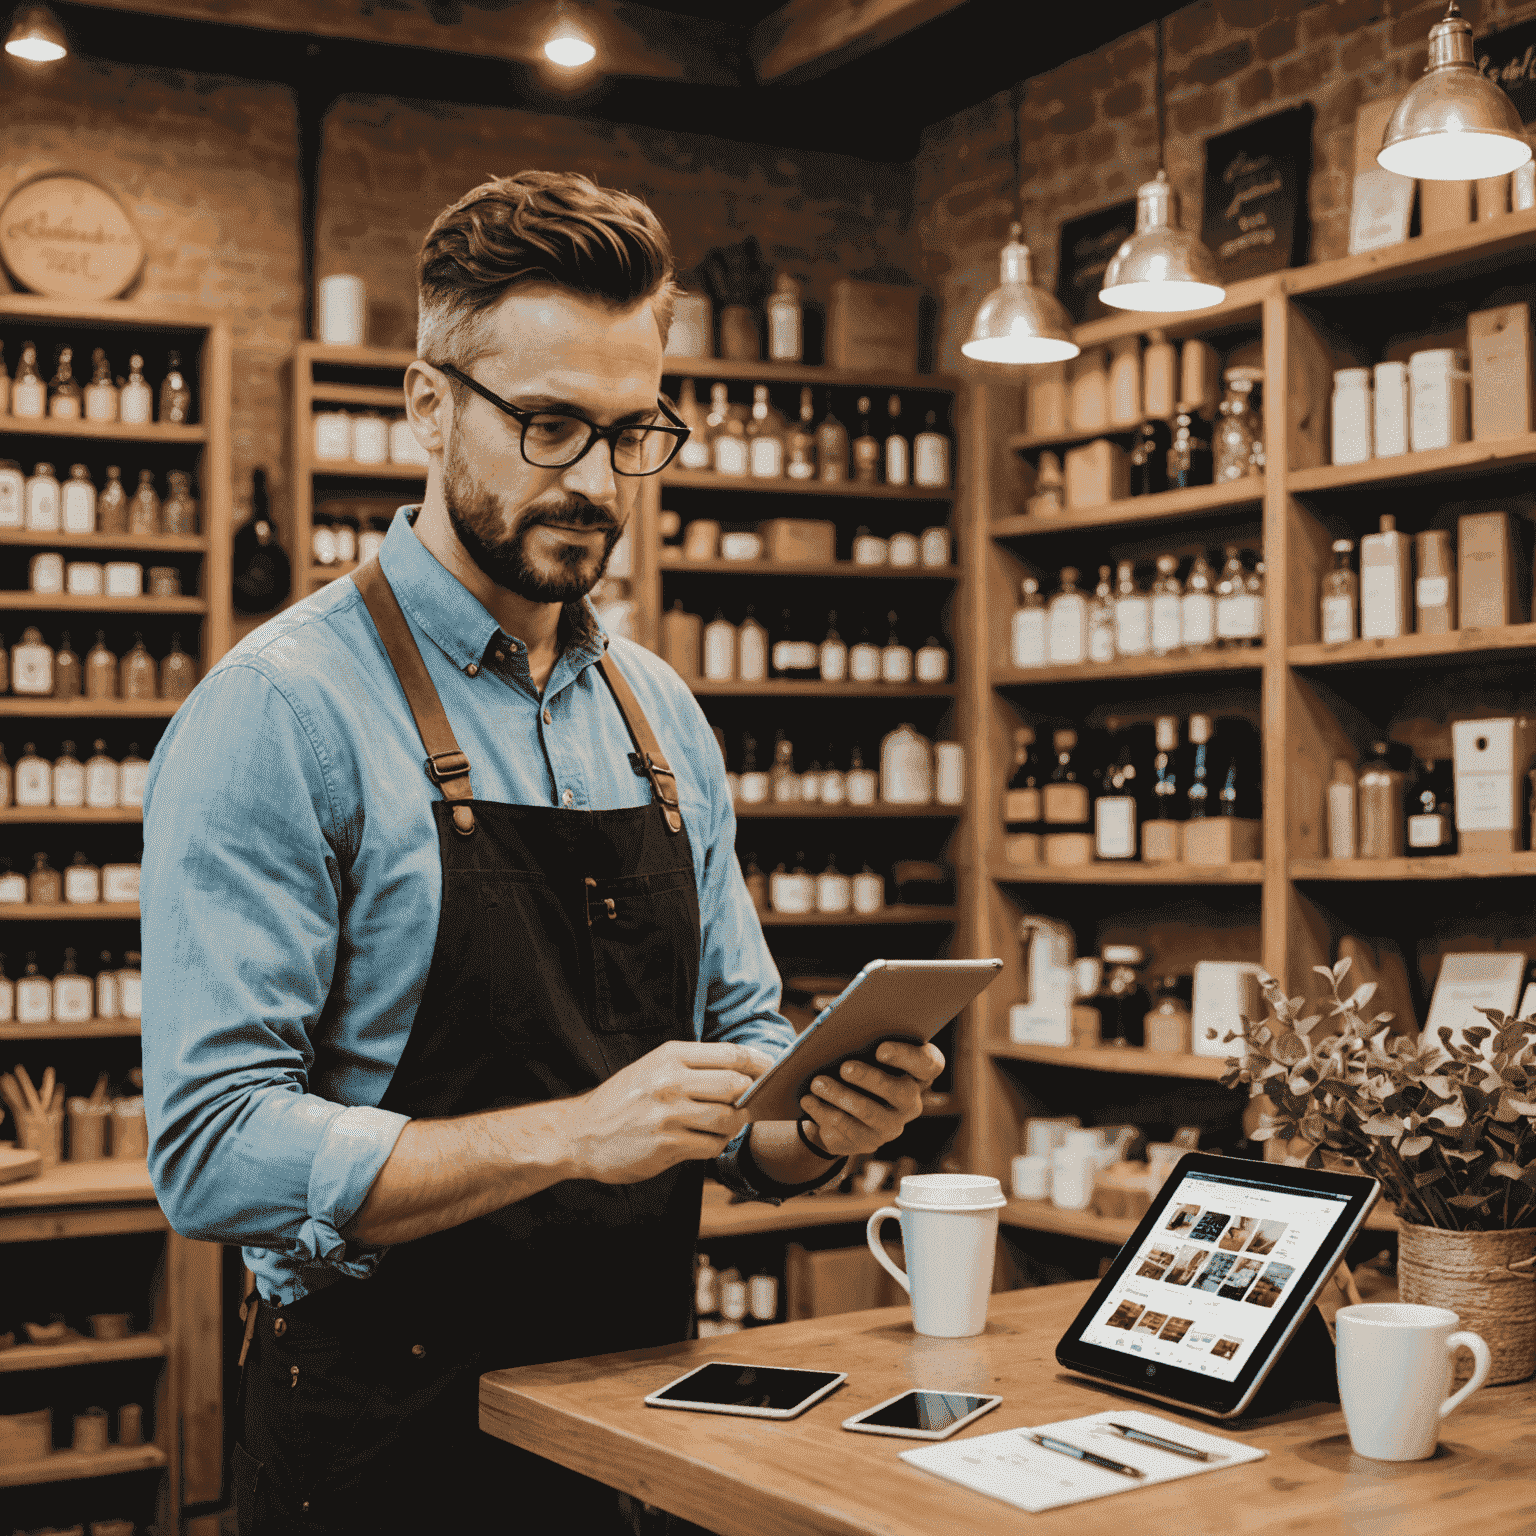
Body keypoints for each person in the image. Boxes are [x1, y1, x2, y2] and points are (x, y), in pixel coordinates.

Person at [140, 170, 944, 1536]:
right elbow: (211, 1148)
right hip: (379, 1446)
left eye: (633, 432)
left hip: (631, 1422)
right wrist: (575, 1136)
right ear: (428, 405)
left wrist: (815, 1126)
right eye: (552, 423)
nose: (592, 479)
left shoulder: (661, 718)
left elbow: (741, 1073)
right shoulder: (283, 711)